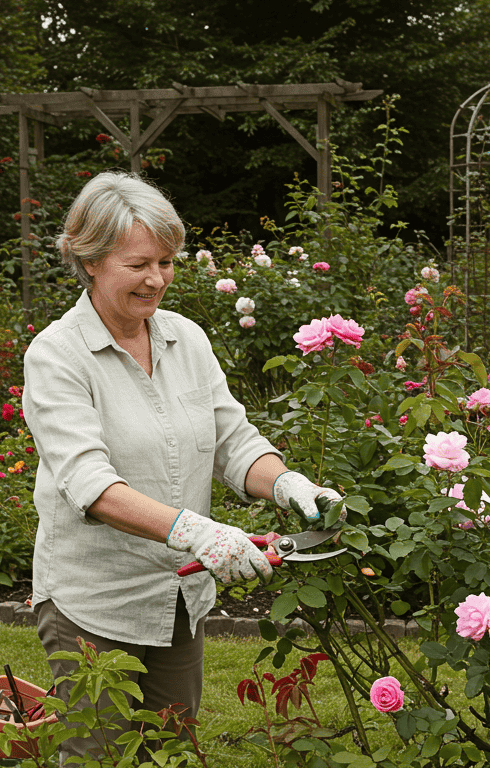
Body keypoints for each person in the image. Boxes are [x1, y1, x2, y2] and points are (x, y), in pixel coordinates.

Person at [21, 172, 340, 761]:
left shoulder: (185, 338)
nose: (157, 279)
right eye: (139, 263)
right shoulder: (57, 356)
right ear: (89, 261)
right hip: (96, 603)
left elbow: (232, 441)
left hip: (179, 595)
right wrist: (198, 531)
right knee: (99, 756)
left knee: (170, 751)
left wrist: (289, 485)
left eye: (167, 262)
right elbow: (90, 485)